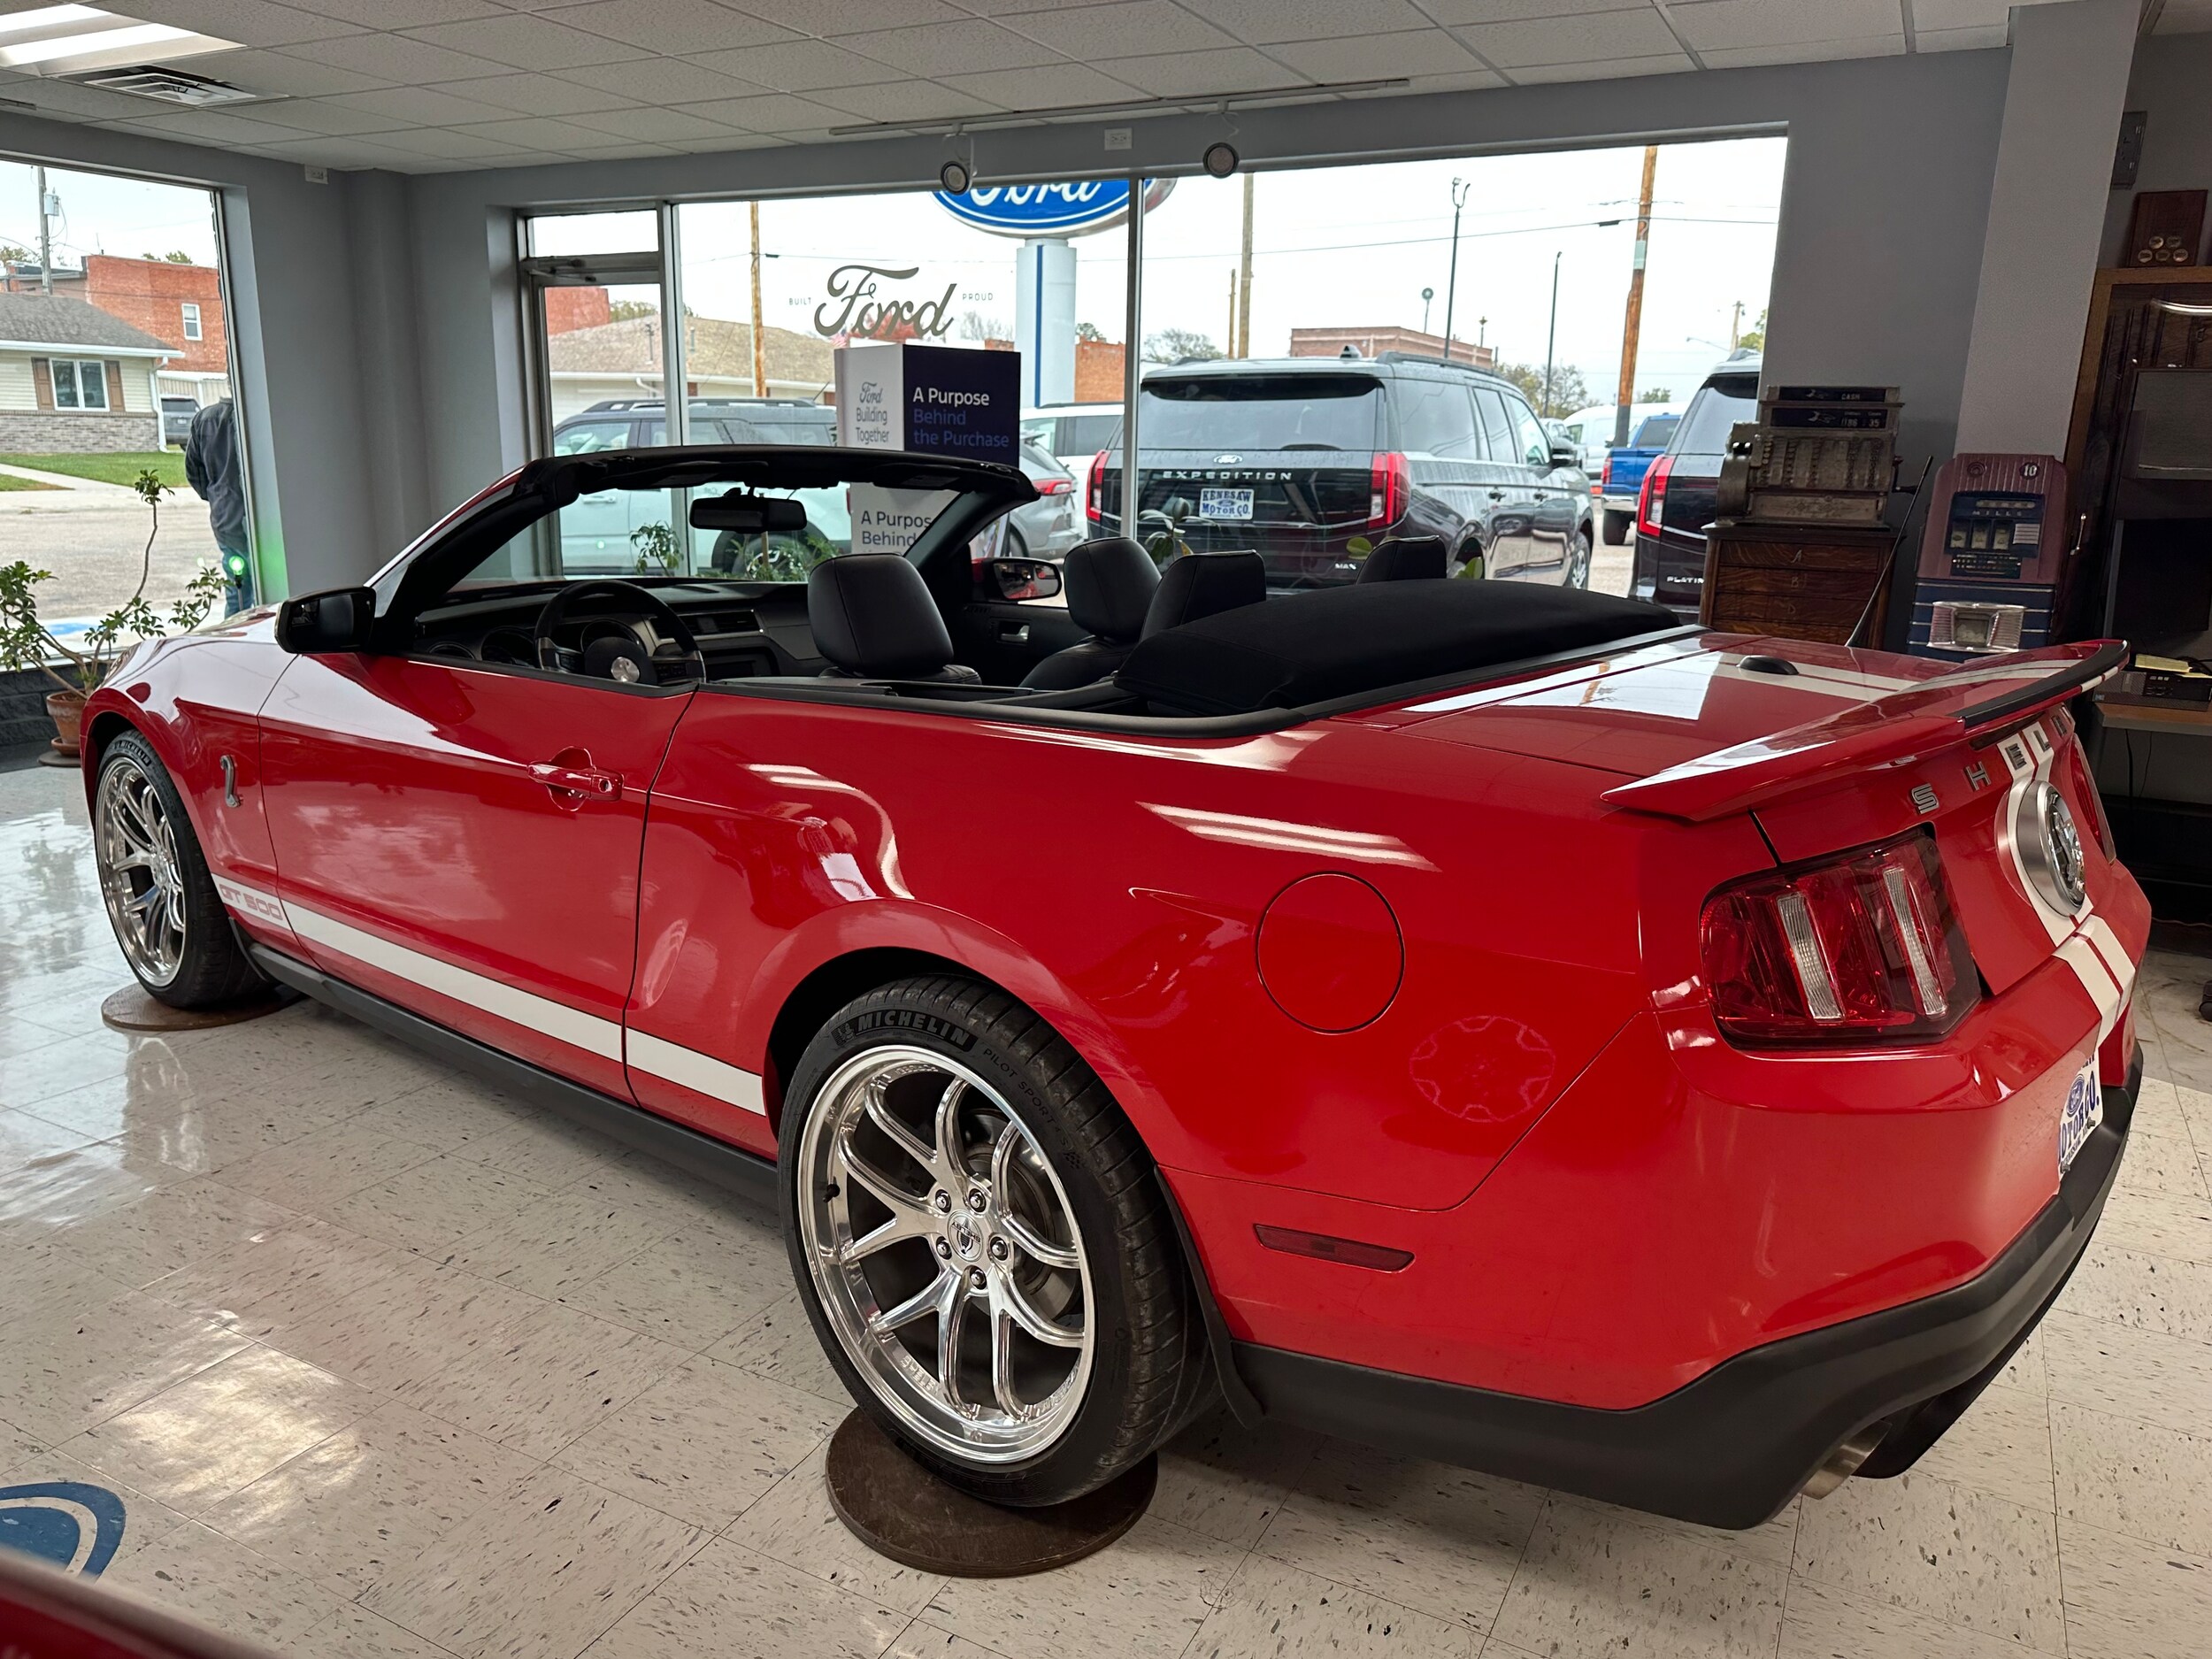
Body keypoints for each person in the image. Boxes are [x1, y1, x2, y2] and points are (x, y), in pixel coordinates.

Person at [183, 397, 251, 615]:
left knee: (238, 594)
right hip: (253, 521)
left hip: (225, 519)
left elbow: (194, 472)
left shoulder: (204, 419)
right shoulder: (254, 414)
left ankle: (237, 631)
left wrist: (216, 496)